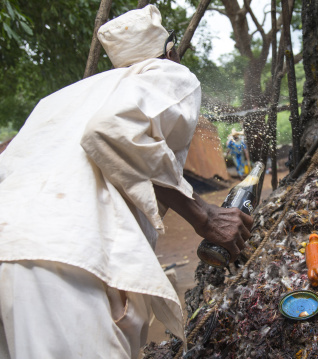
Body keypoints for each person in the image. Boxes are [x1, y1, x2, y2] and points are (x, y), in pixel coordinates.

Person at [0, 5, 252, 359]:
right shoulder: (167, 73)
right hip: (61, 261)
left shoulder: (60, 100)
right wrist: (205, 217)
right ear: (172, 52)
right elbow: (108, 130)